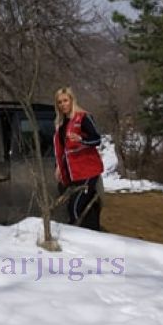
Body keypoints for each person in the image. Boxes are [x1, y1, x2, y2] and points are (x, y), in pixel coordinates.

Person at [53, 86, 105, 230]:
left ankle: (77, 239)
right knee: (86, 208)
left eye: (65, 100)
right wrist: (59, 166)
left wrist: (81, 139)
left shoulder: (83, 117)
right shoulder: (61, 124)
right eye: (59, 102)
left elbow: (97, 139)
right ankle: (92, 233)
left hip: (88, 170)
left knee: (74, 208)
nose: (63, 104)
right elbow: (62, 149)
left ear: (72, 100)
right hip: (73, 173)